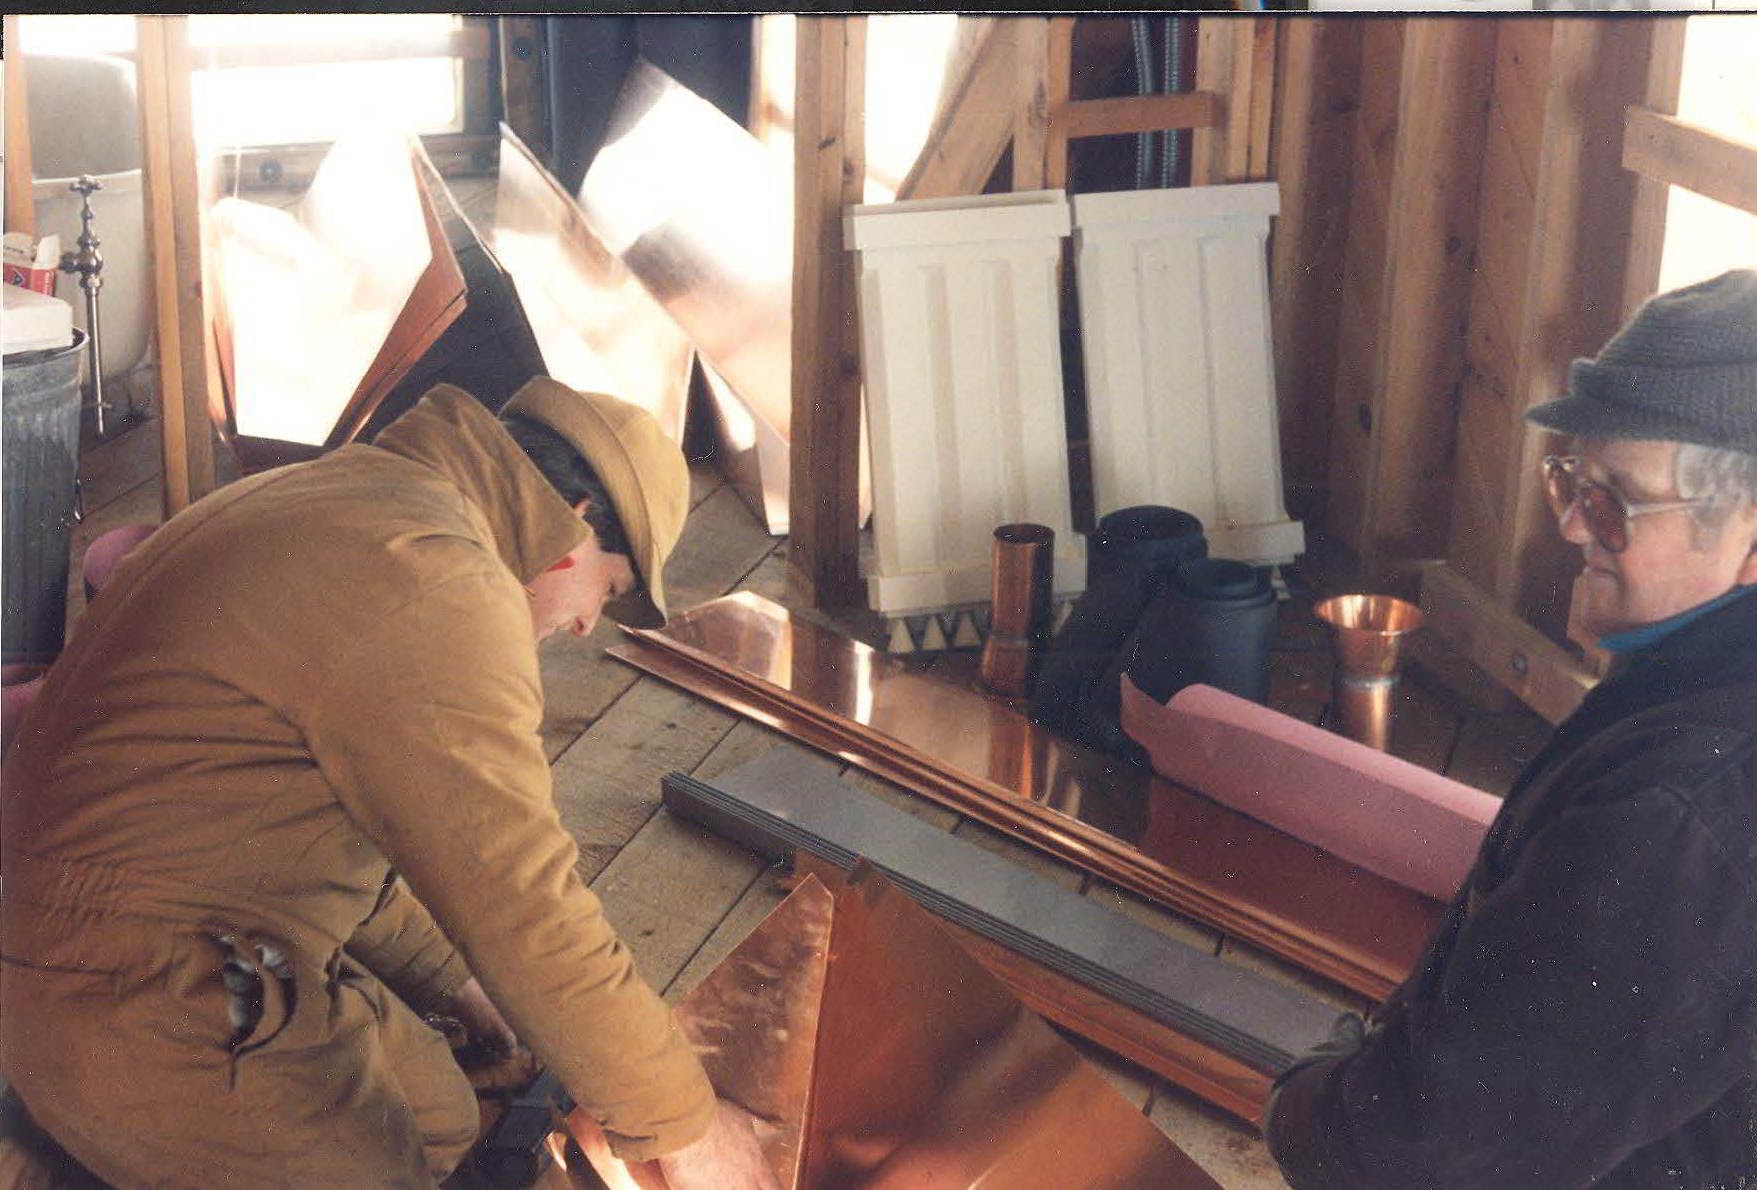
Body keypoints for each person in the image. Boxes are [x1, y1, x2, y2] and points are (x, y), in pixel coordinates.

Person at [0, 377, 778, 1188]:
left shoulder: (353, 498)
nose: (585, 624)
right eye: (606, 590)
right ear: (574, 525)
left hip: (117, 942)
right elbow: (520, 900)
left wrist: (456, 983)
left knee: (438, 1116)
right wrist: (683, 1129)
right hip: (132, 996)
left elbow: (303, 834)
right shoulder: (437, 583)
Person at [1265, 269, 1757, 1187]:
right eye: (1567, 478)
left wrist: (1302, 1102)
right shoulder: (1703, 687)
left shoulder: (1680, 809)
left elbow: (1414, 1160)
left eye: (1611, 502)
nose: (1568, 524)